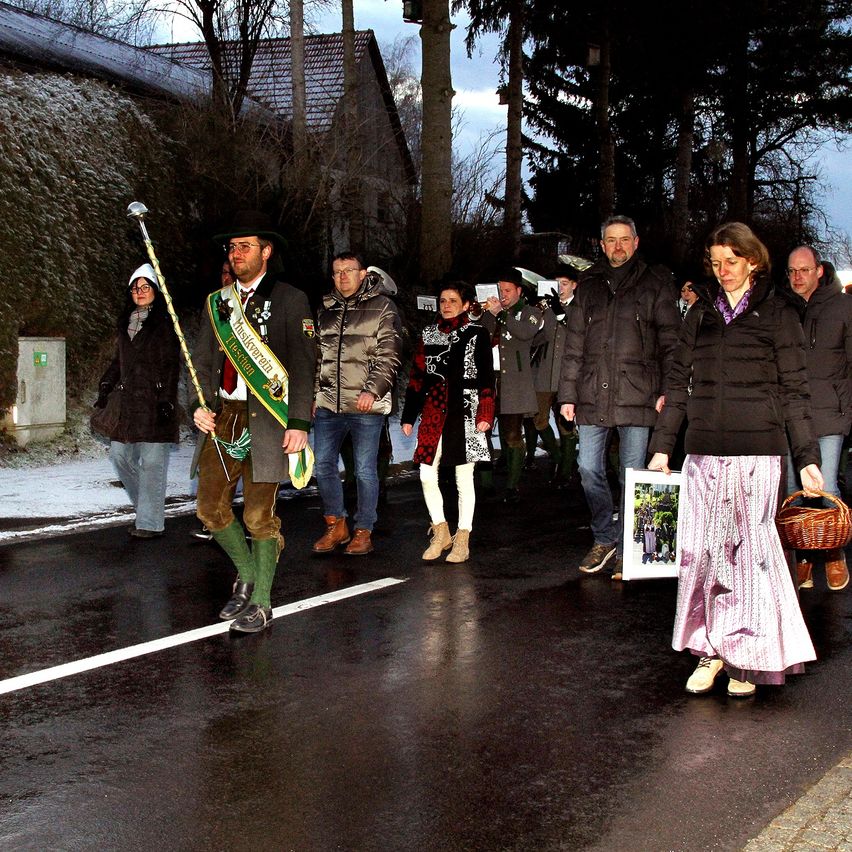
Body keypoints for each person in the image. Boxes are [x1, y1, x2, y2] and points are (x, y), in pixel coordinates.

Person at [648, 221, 823, 698]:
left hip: (758, 451)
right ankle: (711, 649)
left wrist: (806, 455)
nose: (723, 270)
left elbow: (795, 391)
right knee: (704, 553)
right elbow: (677, 383)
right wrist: (664, 446)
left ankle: (745, 653)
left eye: (732, 261)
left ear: (753, 261)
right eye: (717, 262)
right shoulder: (699, 314)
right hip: (703, 451)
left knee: (749, 555)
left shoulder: (778, 313)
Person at [191, 211, 317, 634]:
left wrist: (298, 422)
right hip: (224, 417)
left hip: (269, 420)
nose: (236, 253)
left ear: (266, 252)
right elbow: (204, 360)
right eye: (232, 247)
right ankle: (246, 572)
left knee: (258, 517)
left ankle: (261, 602)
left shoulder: (290, 299)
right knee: (209, 509)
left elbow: (303, 363)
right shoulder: (218, 302)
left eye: (245, 246)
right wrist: (198, 403)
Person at [559, 215, 680, 577]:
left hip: (638, 393)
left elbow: (671, 342)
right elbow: (574, 343)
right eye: (610, 240)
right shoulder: (589, 284)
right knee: (588, 469)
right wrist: (568, 393)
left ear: (636, 242)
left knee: (632, 475)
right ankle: (605, 537)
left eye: (624, 239)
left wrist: (668, 389)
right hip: (593, 391)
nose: (617, 246)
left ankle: (629, 547)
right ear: (602, 244)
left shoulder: (656, 283)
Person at [312, 252, 402, 556]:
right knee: (322, 465)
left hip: (366, 407)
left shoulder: (382, 307)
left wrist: (372, 391)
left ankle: (364, 529)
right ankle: (336, 524)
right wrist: (315, 394)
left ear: (363, 274)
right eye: (336, 272)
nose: (342, 277)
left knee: (364, 470)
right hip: (328, 405)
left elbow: (389, 356)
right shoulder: (325, 309)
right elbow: (317, 358)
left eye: (349, 271)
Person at [401, 282, 495, 563]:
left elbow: (486, 377)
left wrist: (486, 413)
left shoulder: (478, 334)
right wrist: (409, 415)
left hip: (466, 411)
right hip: (433, 412)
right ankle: (441, 531)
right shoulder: (429, 334)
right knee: (426, 474)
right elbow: (418, 377)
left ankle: (463, 537)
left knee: (463, 477)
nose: (447, 305)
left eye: (453, 300)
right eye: (443, 300)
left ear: (466, 304)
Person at [784, 245, 852, 593]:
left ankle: (835, 552)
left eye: (804, 270)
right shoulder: (781, 309)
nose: (798, 277)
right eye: (792, 271)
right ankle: (804, 554)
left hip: (830, 411)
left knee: (825, 486)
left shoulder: (842, 306)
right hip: (791, 415)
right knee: (795, 490)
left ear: (819, 271)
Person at [95, 263, 180, 539]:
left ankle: (150, 523)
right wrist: (106, 383)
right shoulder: (126, 322)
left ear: (155, 291)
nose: (140, 292)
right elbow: (119, 361)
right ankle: (148, 508)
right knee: (118, 455)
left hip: (155, 403)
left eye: (145, 287)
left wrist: (167, 399)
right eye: (135, 288)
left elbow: (170, 365)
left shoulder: (165, 324)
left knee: (153, 464)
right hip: (129, 405)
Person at [480, 268, 543, 502]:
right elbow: (480, 335)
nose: (503, 295)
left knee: (512, 435)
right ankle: (486, 484)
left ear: (519, 290)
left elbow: (525, 333)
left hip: (515, 384)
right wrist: (484, 313)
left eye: (507, 290)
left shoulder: (531, 313)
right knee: (482, 432)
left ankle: (512, 486)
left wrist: (501, 314)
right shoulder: (491, 312)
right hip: (488, 380)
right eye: (500, 290)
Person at [192, 259, 236, 543]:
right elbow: (203, 358)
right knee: (217, 465)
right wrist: (201, 400)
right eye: (223, 272)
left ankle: (259, 530)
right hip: (220, 402)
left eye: (231, 273)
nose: (227, 277)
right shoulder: (213, 307)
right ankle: (217, 518)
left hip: (252, 405)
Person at [531, 263, 582, 488]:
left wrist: (560, 313)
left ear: (574, 285)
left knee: (566, 423)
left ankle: (565, 470)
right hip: (543, 374)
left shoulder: (580, 308)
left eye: (564, 284)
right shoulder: (548, 309)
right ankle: (560, 458)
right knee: (538, 419)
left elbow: (579, 335)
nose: (560, 288)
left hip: (567, 377)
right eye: (556, 284)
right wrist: (537, 319)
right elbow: (535, 341)